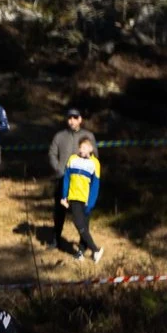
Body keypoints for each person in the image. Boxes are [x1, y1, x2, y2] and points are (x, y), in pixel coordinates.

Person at [58, 134, 103, 261]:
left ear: (90, 149)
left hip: (86, 199)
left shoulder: (95, 163)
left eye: (84, 147)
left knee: (83, 226)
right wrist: (64, 196)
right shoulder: (72, 159)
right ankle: (86, 252)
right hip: (75, 197)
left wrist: (91, 202)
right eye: (80, 147)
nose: (81, 150)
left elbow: (95, 185)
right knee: (79, 224)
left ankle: (94, 250)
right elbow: (66, 179)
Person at [45, 106, 86, 240]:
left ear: (80, 119)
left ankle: (83, 243)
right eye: (69, 118)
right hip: (62, 178)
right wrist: (58, 169)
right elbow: (52, 153)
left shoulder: (87, 136)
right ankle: (56, 238)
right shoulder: (60, 136)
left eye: (75, 118)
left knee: (81, 213)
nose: (72, 121)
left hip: (81, 183)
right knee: (59, 211)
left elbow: (94, 158)